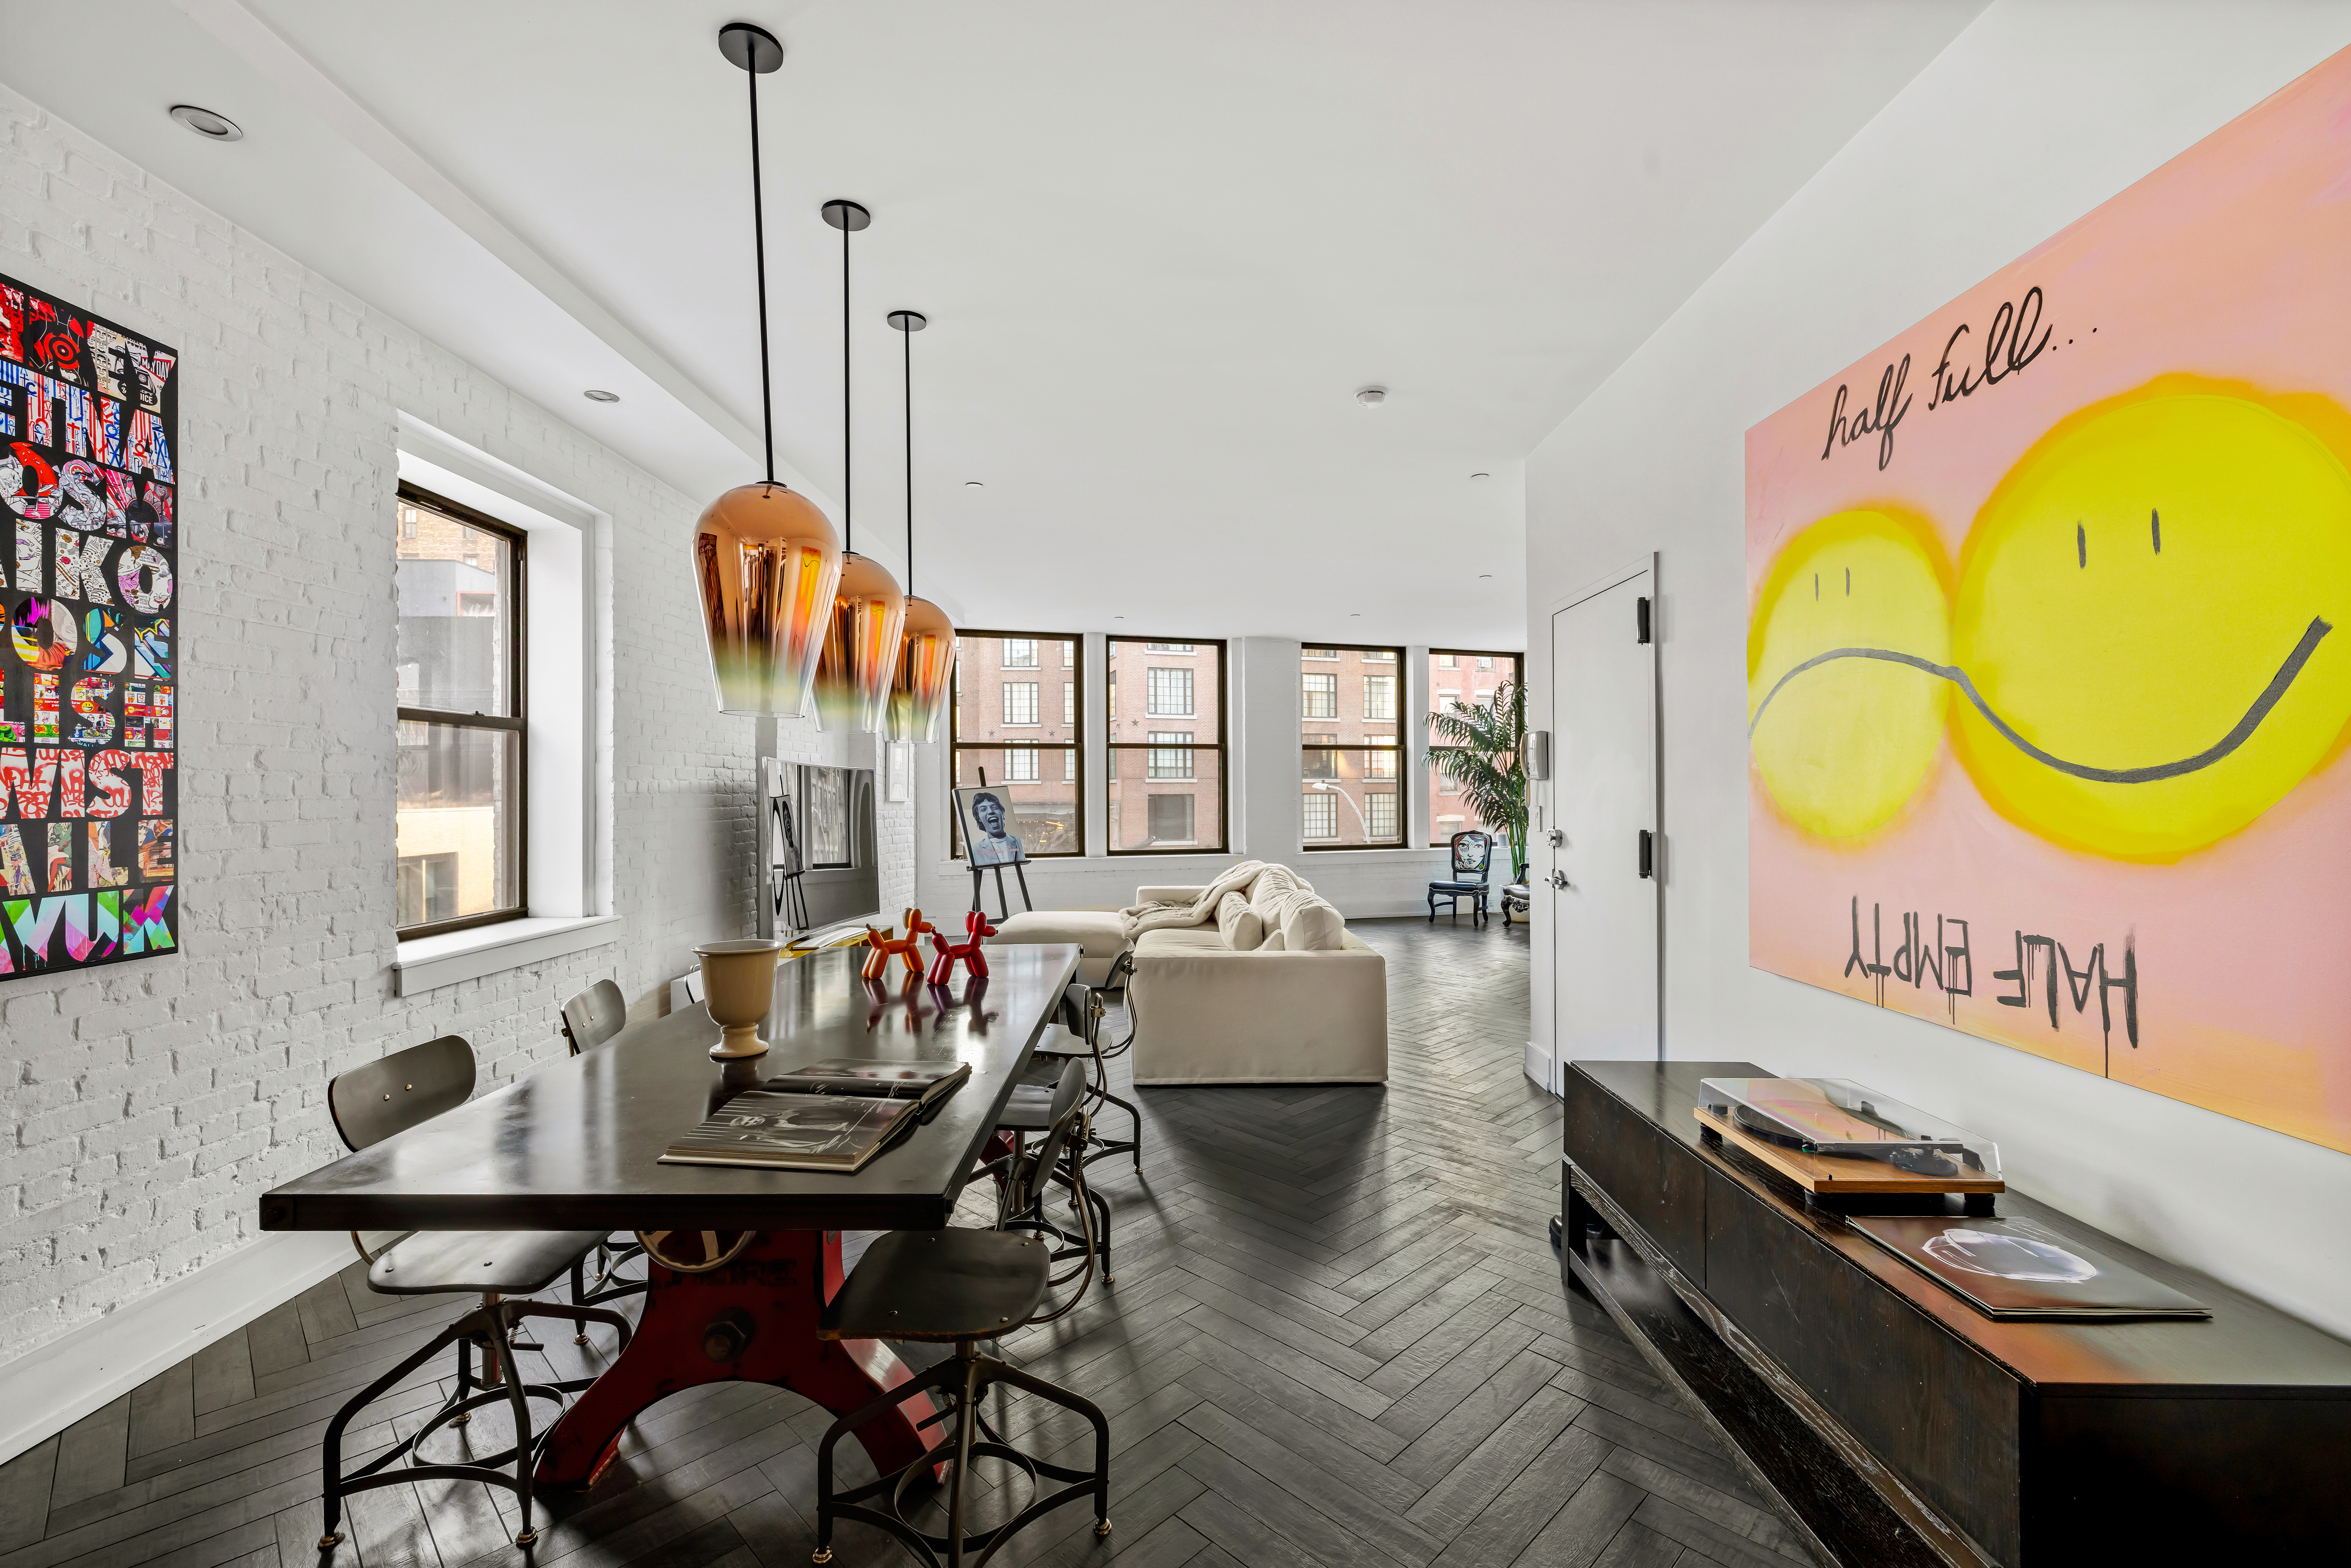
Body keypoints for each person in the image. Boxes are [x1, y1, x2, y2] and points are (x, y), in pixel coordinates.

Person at [966, 790, 1024, 866]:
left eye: (995, 808)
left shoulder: (1019, 843)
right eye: (983, 810)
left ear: (1002, 813)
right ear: (979, 818)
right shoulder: (975, 849)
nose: (991, 812)